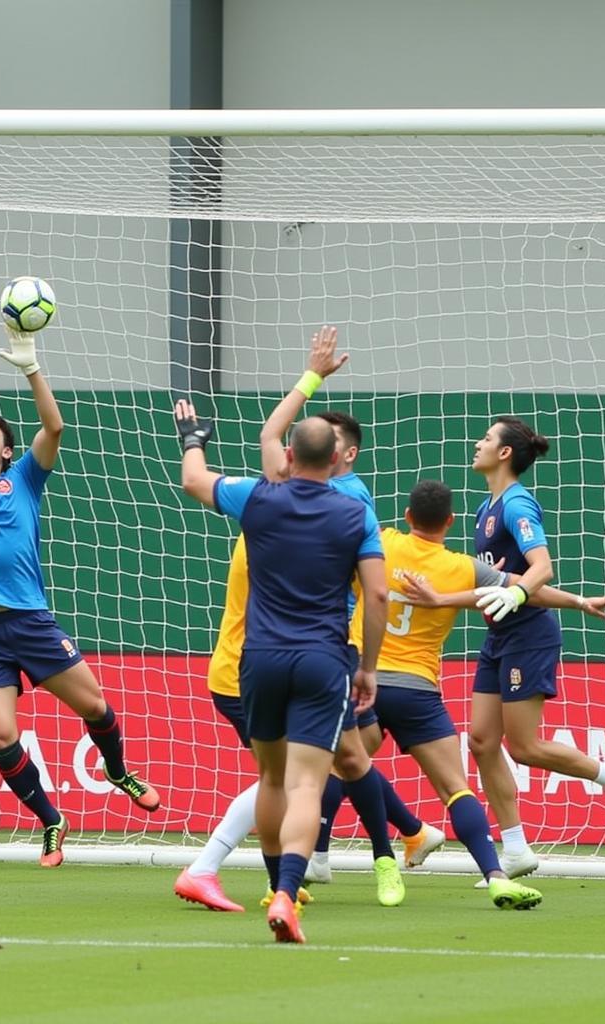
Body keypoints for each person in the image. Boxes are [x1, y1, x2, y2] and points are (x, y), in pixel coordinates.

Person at [175, 328, 429, 915]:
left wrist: (193, 439)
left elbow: (197, 477)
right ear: (335, 456)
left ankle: (283, 880)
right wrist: (367, 668)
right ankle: (286, 893)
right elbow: (379, 595)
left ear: (291, 457)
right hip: (322, 659)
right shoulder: (354, 515)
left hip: (258, 660)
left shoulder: (261, 497)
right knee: (310, 782)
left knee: (274, 778)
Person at [0, 312, 161, 868]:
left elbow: (53, 429)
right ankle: (51, 822)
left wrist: (32, 369)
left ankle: (118, 770)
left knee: (98, 708)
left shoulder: (26, 481)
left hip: (31, 621)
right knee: (1, 735)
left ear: (8, 452)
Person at [404, 417, 605, 877]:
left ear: (505, 453)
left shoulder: (516, 504)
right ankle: (515, 849)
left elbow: (540, 569)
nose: (478, 443)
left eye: (487, 439)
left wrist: (518, 595)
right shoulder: (482, 509)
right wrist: (575, 601)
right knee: (482, 741)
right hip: (500, 637)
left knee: (524, 746)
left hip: (528, 637)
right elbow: (498, 585)